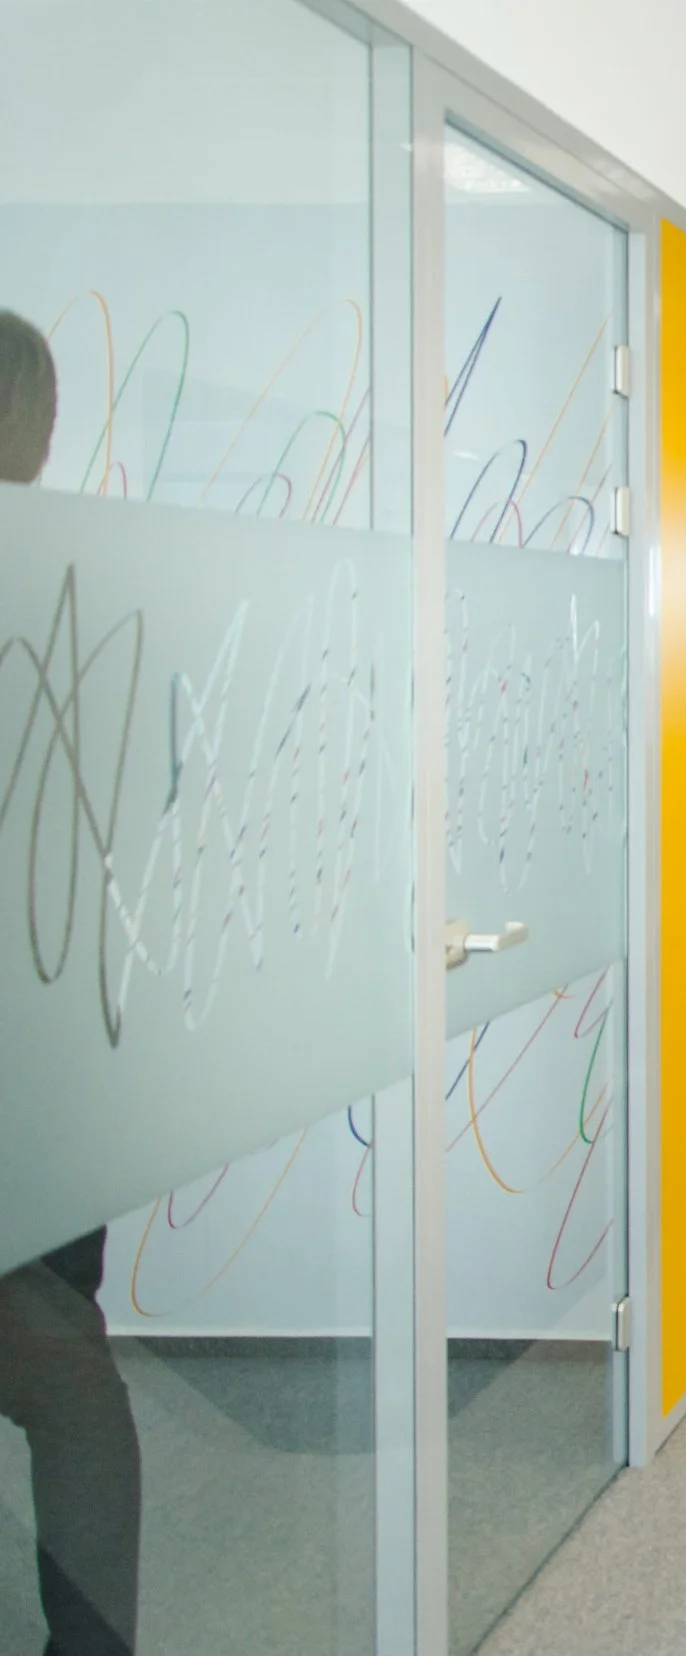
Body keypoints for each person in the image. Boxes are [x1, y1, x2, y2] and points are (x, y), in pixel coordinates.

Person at [0, 307, 143, 1656]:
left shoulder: (66, 579)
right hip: (49, 1045)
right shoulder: (69, 582)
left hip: (43, 1045)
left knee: (57, 1356)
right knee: (68, 1370)